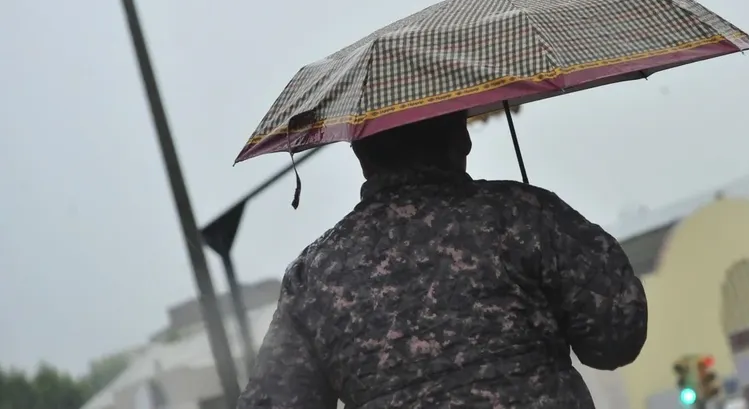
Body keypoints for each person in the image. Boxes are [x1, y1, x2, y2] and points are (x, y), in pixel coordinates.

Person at [238, 110, 648, 409]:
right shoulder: (521, 214)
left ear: (361, 156)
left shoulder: (313, 276)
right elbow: (616, 337)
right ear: (461, 140)